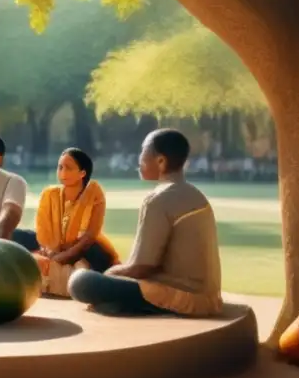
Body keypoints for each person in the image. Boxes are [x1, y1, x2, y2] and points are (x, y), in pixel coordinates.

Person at [69, 129, 222, 317]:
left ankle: (122, 303)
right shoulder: (195, 194)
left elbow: (142, 266)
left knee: (81, 282)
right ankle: (118, 302)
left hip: (183, 298)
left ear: (161, 161)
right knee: (99, 258)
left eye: (143, 152)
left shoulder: (159, 199)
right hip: (209, 297)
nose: (139, 159)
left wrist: (109, 275)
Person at [12, 148, 120, 297]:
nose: (62, 172)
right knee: (17, 235)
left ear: (82, 173)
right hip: (55, 246)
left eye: (68, 168)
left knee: (95, 250)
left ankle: (99, 285)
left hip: (84, 248)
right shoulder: (50, 194)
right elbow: (43, 232)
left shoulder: (94, 193)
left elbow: (88, 238)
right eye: (60, 167)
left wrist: (59, 258)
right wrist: (49, 251)